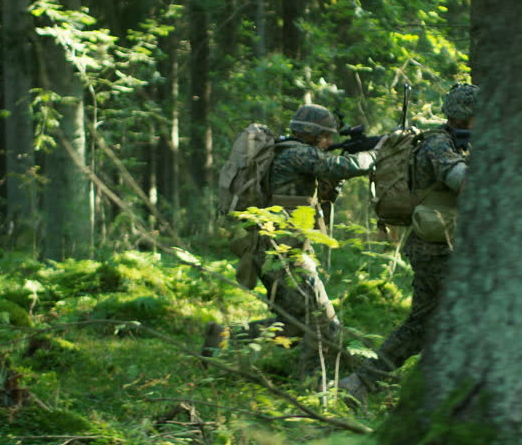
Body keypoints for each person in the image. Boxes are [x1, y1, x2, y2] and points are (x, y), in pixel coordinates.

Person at [204, 103, 379, 371]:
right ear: (313, 134)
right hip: (284, 253)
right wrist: (376, 154)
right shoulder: (296, 154)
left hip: (277, 248)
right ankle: (312, 385)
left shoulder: (288, 152)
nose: (330, 141)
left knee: (296, 324)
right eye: (327, 136)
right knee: (323, 322)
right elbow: (343, 166)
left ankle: (223, 336)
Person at [339, 83, 478, 403]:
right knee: (468, 315)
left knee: (422, 325)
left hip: (442, 245)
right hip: (437, 249)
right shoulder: (438, 145)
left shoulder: (457, 144)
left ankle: (360, 383)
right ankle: (449, 393)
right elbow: (464, 183)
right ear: (464, 117)